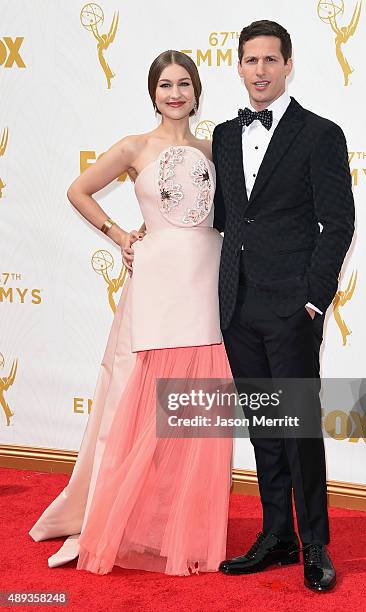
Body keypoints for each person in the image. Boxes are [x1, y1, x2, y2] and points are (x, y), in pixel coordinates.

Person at [28, 50, 233, 576]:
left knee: (195, 413)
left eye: (184, 83)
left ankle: (181, 531)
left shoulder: (216, 151)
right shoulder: (133, 146)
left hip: (205, 283)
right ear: (152, 92)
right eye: (165, 84)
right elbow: (78, 190)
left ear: (197, 90)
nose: (175, 93)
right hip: (156, 283)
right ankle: (100, 521)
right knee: (131, 407)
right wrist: (119, 235)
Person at [211, 20, 355, 592]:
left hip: (293, 309)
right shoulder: (224, 134)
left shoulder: (320, 133)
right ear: (240, 66)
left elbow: (338, 222)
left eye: (272, 60)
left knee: (298, 431)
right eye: (252, 60)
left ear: (288, 64)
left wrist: (314, 300)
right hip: (238, 305)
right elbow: (224, 218)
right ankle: (278, 535)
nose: (262, 70)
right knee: (266, 429)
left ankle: (316, 543)